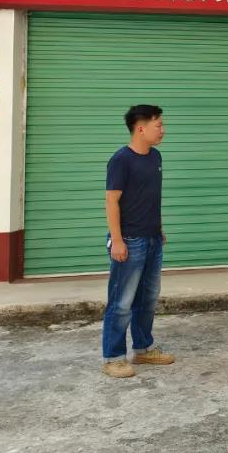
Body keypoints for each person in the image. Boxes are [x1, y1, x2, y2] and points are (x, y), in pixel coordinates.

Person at [101, 105, 175, 378]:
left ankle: (143, 349)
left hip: (152, 238)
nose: (163, 130)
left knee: (148, 298)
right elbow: (112, 201)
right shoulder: (121, 160)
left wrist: (159, 228)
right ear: (141, 128)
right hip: (129, 241)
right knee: (121, 302)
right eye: (158, 125)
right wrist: (117, 240)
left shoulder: (155, 157)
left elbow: (151, 196)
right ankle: (113, 358)